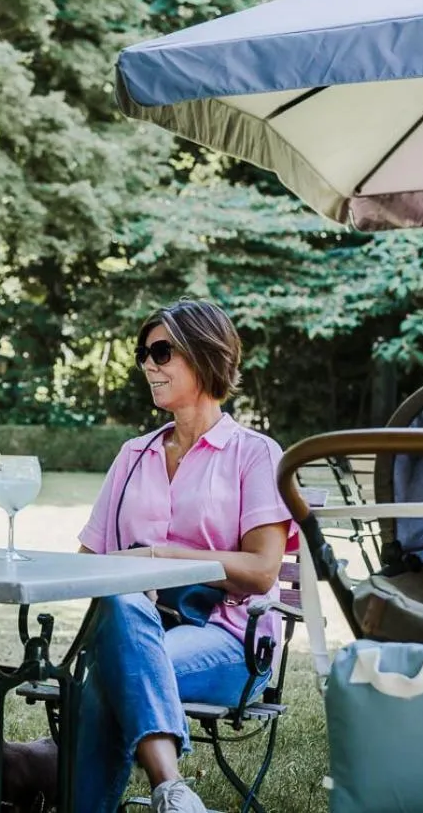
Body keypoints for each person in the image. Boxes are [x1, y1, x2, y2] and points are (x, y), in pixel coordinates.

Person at [72, 299, 297, 813]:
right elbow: (88, 560)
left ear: (204, 354)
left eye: (161, 351)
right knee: (124, 610)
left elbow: (262, 572)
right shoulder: (134, 455)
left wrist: (158, 557)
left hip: (231, 639)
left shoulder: (254, 453)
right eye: (143, 353)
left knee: (112, 677)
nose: (148, 364)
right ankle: (173, 793)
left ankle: (67, 781)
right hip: (138, 627)